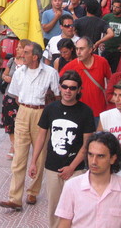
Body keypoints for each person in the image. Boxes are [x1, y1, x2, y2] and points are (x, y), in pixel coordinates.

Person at [0, 42, 60, 211]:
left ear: (35, 57)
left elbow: (57, 96)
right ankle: (15, 197)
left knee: (40, 156)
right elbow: (16, 96)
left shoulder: (50, 73)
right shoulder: (19, 73)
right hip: (23, 111)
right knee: (19, 156)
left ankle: (33, 190)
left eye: (26, 52)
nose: (21, 54)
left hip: (42, 113)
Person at [28, 71, 95, 228]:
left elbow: (87, 145)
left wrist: (71, 168)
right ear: (59, 87)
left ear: (79, 90)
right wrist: (33, 162)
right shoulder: (50, 109)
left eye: (72, 88)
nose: (68, 91)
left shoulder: (85, 112)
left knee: (75, 209)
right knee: (54, 209)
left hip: (76, 169)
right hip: (52, 167)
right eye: (64, 87)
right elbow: (41, 137)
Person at [55, 131, 121, 227]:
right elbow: (64, 224)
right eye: (90, 155)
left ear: (113, 158)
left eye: (100, 156)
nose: (93, 161)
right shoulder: (71, 186)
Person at [60, 37, 112, 124]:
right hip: (78, 112)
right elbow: (59, 82)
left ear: (90, 49)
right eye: (77, 49)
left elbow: (111, 80)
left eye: (81, 49)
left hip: (99, 112)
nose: (78, 52)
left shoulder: (102, 62)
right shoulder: (71, 66)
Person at [0, 39, 28, 159]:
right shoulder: (12, 61)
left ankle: (20, 146)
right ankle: (13, 146)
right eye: (18, 47)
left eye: (20, 47)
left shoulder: (29, 64)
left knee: (22, 124)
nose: (17, 49)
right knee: (10, 124)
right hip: (10, 96)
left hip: (23, 98)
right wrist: (6, 78)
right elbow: (4, 74)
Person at [102, 0, 121, 72]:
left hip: (117, 51)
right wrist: (101, 42)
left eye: (117, 7)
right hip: (106, 49)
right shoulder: (107, 17)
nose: (114, 8)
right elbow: (101, 30)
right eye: (113, 6)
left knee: (115, 72)